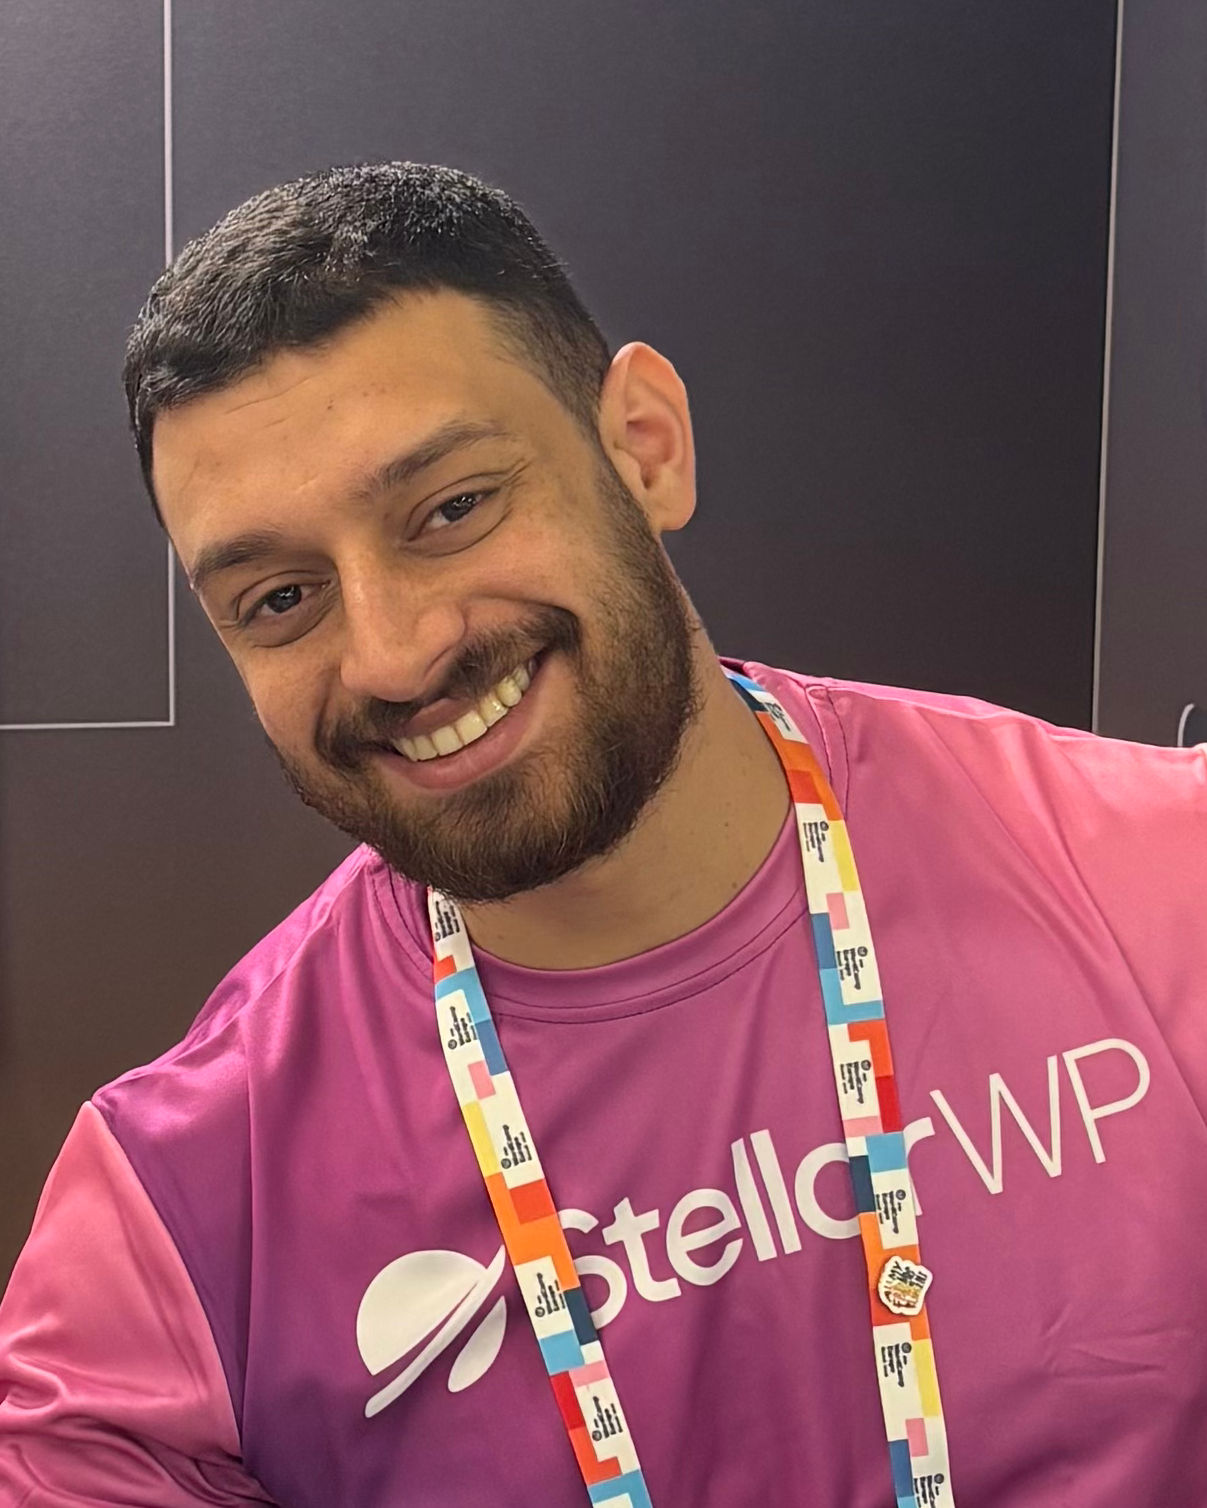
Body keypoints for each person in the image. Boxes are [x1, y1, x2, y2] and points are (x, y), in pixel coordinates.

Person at [0, 161, 1204, 1508]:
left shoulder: (1166, 885)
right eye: (283, 597)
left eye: (453, 509)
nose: (396, 655)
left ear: (644, 445)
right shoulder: (179, 1205)